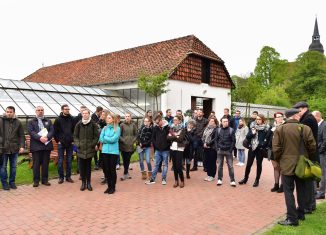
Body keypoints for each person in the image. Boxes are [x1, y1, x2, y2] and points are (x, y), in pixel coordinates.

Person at [273, 108, 316, 226]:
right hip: (302, 164)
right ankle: (301, 214)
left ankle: (292, 218)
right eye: (298, 114)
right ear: (295, 116)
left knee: (288, 191)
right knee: (302, 190)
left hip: (286, 164)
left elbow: (276, 149)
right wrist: (307, 157)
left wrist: (280, 160)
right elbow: (312, 146)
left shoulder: (280, 129)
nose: (300, 116)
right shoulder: (305, 128)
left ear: (287, 117)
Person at [293, 101, 319, 213]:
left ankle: (308, 207)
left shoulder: (307, 119)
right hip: (309, 154)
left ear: (304, 108)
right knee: (309, 181)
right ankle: (310, 205)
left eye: (298, 109)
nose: (297, 112)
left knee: (307, 182)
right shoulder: (308, 117)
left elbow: (303, 137)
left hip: (308, 154)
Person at [239, 114, 270, 187]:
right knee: (249, 164)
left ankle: (257, 180)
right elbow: (248, 137)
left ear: (263, 120)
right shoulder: (253, 127)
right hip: (252, 148)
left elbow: (268, 139)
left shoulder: (266, 128)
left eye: (259, 119)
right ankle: (245, 178)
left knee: (259, 165)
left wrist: (262, 144)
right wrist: (253, 134)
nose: (258, 120)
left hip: (260, 149)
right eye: (257, 119)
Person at [28, 106, 54, 187]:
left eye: (42, 110)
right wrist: (40, 138)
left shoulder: (48, 121)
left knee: (45, 164)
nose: (40, 111)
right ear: (36, 111)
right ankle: (36, 181)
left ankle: (45, 180)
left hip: (46, 145)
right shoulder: (31, 121)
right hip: (36, 146)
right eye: (38, 110)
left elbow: (52, 130)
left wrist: (47, 137)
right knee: (36, 164)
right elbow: (31, 132)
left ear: (44, 111)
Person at [74, 109, 99, 191]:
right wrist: (78, 144)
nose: (84, 115)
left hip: (89, 149)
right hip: (81, 149)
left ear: (89, 114)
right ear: (82, 114)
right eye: (83, 113)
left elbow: (96, 136)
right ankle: (83, 183)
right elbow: (75, 136)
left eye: (86, 113)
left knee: (88, 167)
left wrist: (92, 144)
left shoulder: (93, 124)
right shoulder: (78, 124)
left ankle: (88, 183)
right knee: (82, 167)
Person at [0, 106, 25, 190]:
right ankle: (4, 183)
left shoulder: (18, 122)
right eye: (7, 111)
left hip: (14, 148)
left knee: (13, 167)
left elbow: (21, 135)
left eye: (10, 112)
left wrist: (22, 146)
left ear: (14, 112)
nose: (9, 113)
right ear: (5, 112)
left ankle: (12, 182)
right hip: (2, 148)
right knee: (3, 167)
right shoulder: (1, 121)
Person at [145, 115, 170, 185]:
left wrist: (166, 146)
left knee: (165, 165)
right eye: (156, 122)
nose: (157, 124)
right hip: (158, 150)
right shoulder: (155, 128)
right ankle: (152, 179)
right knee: (156, 164)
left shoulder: (167, 128)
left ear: (161, 120)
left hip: (165, 150)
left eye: (158, 122)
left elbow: (170, 138)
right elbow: (153, 138)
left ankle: (164, 179)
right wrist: (156, 146)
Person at [100, 113, 121, 194]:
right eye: (107, 118)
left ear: (113, 119)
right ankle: (108, 187)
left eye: (109, 118)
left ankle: (113, 187)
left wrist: (106, 139)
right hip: (105, 151)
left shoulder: (117, 128)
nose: (107, 119)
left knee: (112, 170)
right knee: (107, 170)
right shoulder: (104, 128)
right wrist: (107, 139)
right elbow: (101, 139)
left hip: (113, 152)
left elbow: (114, 139)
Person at [54, 104, 75, 184]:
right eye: (66, 109)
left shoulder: (72, 119)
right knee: (60, 160)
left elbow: (74, 130)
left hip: (70, 143)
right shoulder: (58, 120)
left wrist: (73, 140)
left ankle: (68, 177)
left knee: (69, 160)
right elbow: (55, 131)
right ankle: (61, 177)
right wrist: (58, 140)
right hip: (61, 143)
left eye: (68, 109)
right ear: (62, 110)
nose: (67, 110)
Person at [215, 117, 236, 187]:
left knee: (230, 166)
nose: (226, 122)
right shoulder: (218, 130)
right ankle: (219, 179)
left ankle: (232, 180)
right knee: (220, 166)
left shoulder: (231, 130)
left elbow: (233, 141)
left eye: (227, 121)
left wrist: (230, 150)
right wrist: (217, 148)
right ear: (221, 122)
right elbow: (216, 140)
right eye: (224, 121)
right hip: (220, 150)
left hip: (228, 151)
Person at [167, 116, 187, 188]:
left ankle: (182, 180)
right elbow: (168, 138)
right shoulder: (171, 128)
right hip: (172, 148)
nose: (174, 121)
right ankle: (176, 180)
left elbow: (181, 139)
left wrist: (174, 136)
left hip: (179, 149)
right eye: (174, 120)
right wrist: (176, 136)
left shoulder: (183, 129)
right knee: (174, 166)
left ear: (179, 121)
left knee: (179, 166)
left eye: (176, 120)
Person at [268, 112, 285, 193]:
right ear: (275, 118)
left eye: (281, 116)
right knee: (275, 167)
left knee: (281, 168)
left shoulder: (285, 126)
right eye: (278, 117)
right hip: (272, 150)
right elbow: (268, 138)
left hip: (282, 150)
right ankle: (276, 184)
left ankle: (283, 186)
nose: (280, 118)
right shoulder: (272, 127)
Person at [312, 111, 326, 200]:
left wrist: (319, 151)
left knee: (322, 173)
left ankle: (321, 193)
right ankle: (316, 191)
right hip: (316, 153)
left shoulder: (324, 125)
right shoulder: (317, 125)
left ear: (317, 116)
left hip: (322, 154)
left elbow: (325, 141)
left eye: (313, 117)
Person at [119, 113, 137, 181]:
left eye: (128, 116)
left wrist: (133, 140)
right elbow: (119, 135)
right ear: (124, 117)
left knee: (128, 159)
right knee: (124, 159)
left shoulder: (133, 125)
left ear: (130, 117)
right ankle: (125, 173)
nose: (127, 117)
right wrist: (123, 140)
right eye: (126, 116)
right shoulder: (122, 125)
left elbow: (136, 134)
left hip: (131, 145)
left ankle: (126, 172)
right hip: (123, 146)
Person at [202, 117, 218, 182]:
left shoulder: (216, 129)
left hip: (212, 148)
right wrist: (204, 143)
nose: (211, 122)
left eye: (212, 121)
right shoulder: (206, 128)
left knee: (212, 162)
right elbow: (203, 137)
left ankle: (212, 175)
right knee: (207, 161)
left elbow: (215, 138)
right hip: (206, 147)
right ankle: (208, 175)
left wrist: (208, 144)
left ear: (215, 122)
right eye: (210, 121)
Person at [91, 106, 103, 170]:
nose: (101, 114)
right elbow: (95, 125)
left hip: (100, 136)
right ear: (97, 111)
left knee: (101, 150)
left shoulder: (100, 117)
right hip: (95, 136)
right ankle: (96, 163)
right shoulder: (93, 116)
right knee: (95, 150)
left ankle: (100, 163)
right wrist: (100, 119)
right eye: (100, 112)